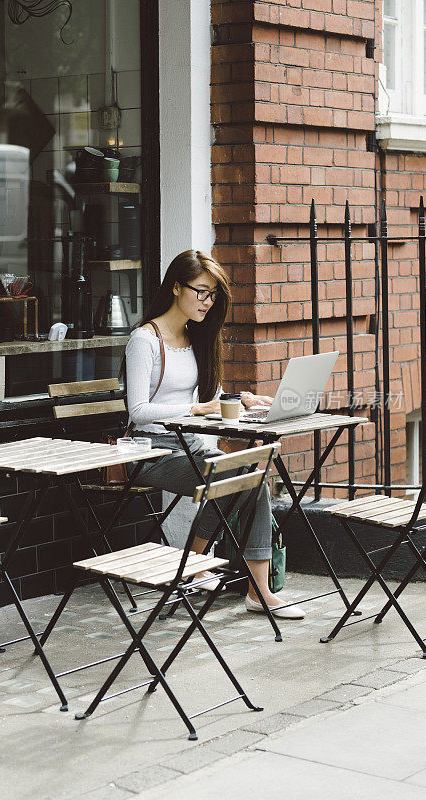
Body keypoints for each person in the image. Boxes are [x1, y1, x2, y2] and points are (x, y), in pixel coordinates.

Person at [125, 250, 304, 619]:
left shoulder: (196, 338)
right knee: (241, 475)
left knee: (252, 475)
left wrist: (245, 400)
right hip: (148, 451)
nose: (207, 302)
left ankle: (251, 587)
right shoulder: (144, 340)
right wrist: (195, 409)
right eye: (201, 292)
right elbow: (138, 411)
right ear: (176, 287)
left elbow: (212, 400)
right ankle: (200, 565)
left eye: (213, 296)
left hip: (188, 445)